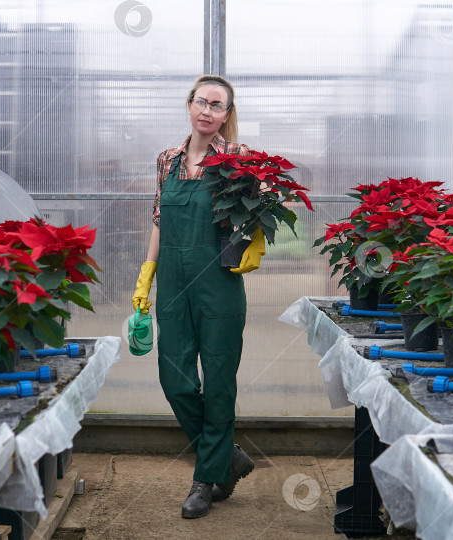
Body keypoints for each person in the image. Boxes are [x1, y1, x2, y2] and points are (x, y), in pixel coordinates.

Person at [131, 74, 265, 519]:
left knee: (220, 380)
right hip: (172, 278)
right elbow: (158, 220)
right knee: (175, 376)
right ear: (189, 105)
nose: (207, 110)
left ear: (227, 115)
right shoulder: (167, 160)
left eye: (217, 105)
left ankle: (205, 481)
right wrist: (146, 275)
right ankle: (226, 456)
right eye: (201, 101)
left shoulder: (236, 159)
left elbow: (258, 206)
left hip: (219, 283)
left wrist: (256, 229)